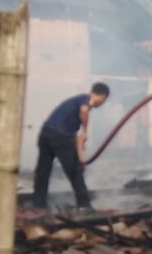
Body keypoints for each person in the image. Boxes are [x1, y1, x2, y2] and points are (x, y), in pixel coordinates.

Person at [32, 82, 110, 210]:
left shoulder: (76, 101)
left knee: (43, 170)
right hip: (60, 137)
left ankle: (38, 204)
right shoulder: (86, 100)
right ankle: (84, 205)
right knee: (75, 172)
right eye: (104, 101)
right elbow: (84, 110)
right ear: (102, 97)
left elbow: (73, 134)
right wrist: (85, 130)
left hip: (46, 133)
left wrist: (80, 155)